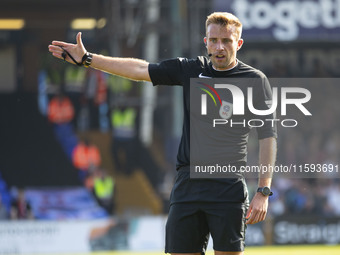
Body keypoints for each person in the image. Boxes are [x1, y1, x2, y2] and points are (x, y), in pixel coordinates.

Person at [49, 12, 277, 255]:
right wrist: (88, 59)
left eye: (227, 41)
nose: (219, 47)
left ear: (238, 43)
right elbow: (139, 69)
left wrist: (263, 190)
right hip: (188, 184)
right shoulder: (191, 69)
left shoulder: (254, 80)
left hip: (227, 185)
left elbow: (268, 137)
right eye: (214, 40)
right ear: (206, 41)